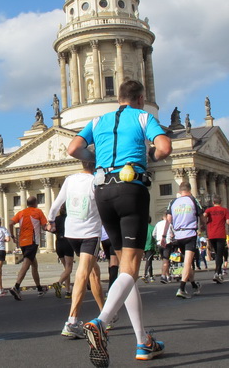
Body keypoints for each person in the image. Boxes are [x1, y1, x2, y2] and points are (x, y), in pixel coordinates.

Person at [68, 79, 172, 366]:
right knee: (131, 267)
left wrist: (96, 158)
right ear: (140, 98)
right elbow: (164, 147)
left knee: (126, 268)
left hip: (102, 191)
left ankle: (143, 342)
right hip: (130, 188)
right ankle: (101, 322)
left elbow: (73, 148)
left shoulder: (98, 120)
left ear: (118, 99)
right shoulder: (143, 117)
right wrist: (150, 155)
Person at [47, 160, 106, 339]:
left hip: (72, 233)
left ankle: (106, 313)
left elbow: (57, 203)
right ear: (96, 163)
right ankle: (72, 322)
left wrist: (50, 220)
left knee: (93, 271)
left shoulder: (70, 179)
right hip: (90, 234)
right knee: (83, 273)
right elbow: (105, 206)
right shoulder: (97, 180)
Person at [161, 181, 204, 298]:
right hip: (190, 234)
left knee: (187, 263)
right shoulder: (193, 200)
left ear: (180, 191)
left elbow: (168, 221)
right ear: (190, 190)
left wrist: (164, 236)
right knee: (187, 262)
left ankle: (194, 285)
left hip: (178, 236)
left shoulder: (173, 202)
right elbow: (202, 216)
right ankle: (182, 288)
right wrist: (204, 226)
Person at [8, 196, 48, 300]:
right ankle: (16, 286)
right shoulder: (38, 212)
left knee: (34, 264)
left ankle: (39, 288)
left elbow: (10, 223)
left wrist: (12, 236)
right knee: (26, 264)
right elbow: (44, 226)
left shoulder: (21, 212)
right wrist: (50, 227)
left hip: (22, 242)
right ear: (35, 203)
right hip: (32, 241)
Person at [204, 194, 229, 284]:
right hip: (220, 234)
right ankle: (217, 273)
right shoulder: (224, 210)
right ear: (221, 202)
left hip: (211, 235)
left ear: (213, 202)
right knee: (219, 254)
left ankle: (218, 273)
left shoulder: (209, 210)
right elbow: (228, 222)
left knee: (216, 253)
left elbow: (204, 216)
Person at [51, 204, 74, 299]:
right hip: (67, 242)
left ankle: (68, 291)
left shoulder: (56, 219)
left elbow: (52, 230)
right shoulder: (70, 219)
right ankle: (59, 283)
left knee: (66, 269)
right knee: (69, 268)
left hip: (58, 243)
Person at [153, 215, 173, 283]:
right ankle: (163, 276)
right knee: (166, 260)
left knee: (164, 260)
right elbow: (174, 233)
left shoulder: (158, 224)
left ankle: (168, 276)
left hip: (159, 243)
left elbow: (153, 234)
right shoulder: (169, 224)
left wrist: (158, 238)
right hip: (167, 242)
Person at [142, 217, 156, 282]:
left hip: (144, 246)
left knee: (150, 261)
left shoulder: (142, 228)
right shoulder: (152, 228)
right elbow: (155, 237)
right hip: (150, 246)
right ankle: (145, 275)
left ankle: (151, 276)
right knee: (148, 260)